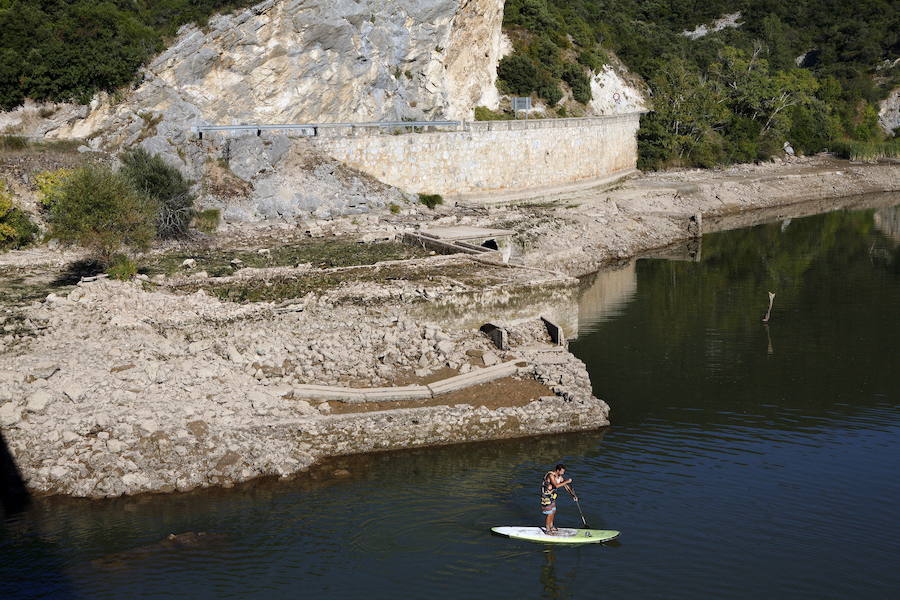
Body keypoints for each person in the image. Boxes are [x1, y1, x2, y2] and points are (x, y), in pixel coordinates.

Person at [540, 464, 577, 534]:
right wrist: (567, 481)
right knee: (549, 513)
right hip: (546, 497)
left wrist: (573, 495)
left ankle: (551, 526)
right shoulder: (551, 475)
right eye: (562, 471)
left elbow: (566, 486)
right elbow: (556, 485)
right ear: (557, 470)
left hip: (552, 496)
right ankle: (547, 530)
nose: (563, 473)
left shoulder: (560, 477)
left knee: (553, 511)